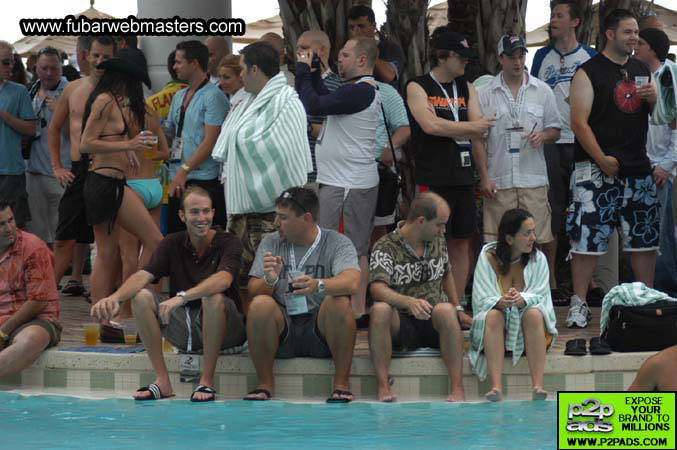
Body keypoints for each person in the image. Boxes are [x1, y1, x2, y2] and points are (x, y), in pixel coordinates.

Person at [91, 186, 245, 401]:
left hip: (227, 332)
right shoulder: (172, 242)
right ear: (182, 215)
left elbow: (224, 280)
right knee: (141, 297)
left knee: (213, 298)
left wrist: (181, 297)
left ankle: (206, 381)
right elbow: (142, 275)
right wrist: (115, 298)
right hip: (185, 330)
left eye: (206, 211)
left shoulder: (228, 241)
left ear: (213, 213)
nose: (202, 217)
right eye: (194, 212)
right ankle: (162, 381)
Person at [567, 9, 659, 328]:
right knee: (586, 239)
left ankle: (645, 299)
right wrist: (601, 158)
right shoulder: (587, 72)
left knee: (644, 240)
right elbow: (578, 122)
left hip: (638, 167)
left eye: (636, 33)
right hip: (594, 170)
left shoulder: (641, 69)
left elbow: (661, 117)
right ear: (609, 34)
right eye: (628, 32)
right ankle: (579, 303)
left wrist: (654, 99)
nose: (634, 37)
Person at [212, 41, 311, 307]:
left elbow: (283, 147)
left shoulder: (287, 101)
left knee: (277, 278)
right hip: (243, 207)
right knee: (242, 277)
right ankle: (248, 333)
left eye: (242, 68)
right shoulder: (247, 101)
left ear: (255, 69)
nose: (240, 74)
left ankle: (279, 331)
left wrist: (243, 139)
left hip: (274, 210)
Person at [406, 28, 495, 309]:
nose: (465, 62)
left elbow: (477, 135)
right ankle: (429, 300)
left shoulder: (466, 86)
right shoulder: (418, 86)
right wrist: (471, 127)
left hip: (463, 176)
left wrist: (484, 175)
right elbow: (430, 126)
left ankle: (455, 303)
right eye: (461, 56)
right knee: (431, 241)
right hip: (432, 176)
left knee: (461, 241)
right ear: (443, 57)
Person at [244, 187, 360, 402]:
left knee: (340, 302)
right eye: (276, 216)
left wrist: (319, 285)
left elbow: (352, 281)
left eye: (283, 218)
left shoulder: (336, 242)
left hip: (321, 329)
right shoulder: (271, 242)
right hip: (283, 327)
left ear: (306, 218)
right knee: (260, 304)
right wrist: (270, 279)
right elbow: (252, 289)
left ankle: (342, 384)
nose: (276, 223)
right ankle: (265, 383)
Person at [296, 36, 380, 316]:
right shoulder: (354, 90)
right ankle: (346, 308)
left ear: (361, 60)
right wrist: (312, 72)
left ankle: (355, 311)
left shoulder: (362, 91)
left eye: (344, 55)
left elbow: (314, 105)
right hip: (342, 181)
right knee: (343, 246)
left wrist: (301, 71)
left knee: (352, 249)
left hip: (348, 185)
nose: (339, 59)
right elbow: (323, 97)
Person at [79, 47, 165, 321]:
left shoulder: (116, 101)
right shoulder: (104, 100)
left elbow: (108, 139)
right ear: (124, 77)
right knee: (106, 254)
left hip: (115, 183)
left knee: (152, 241)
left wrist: (125, 151)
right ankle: (103, 319)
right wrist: (128, 143)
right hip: (102, 183)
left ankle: (127, 302)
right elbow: (85, 143)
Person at [369, 192, 471, 402]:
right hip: (402, 323)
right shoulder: (385, 246)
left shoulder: (437, 239)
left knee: (446, 310)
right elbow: (377, 289)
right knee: (380, 310)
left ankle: (457, 388)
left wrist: (458, 308)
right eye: (440, 224)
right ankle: (383, 386)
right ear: (421, 221)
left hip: (434, 320)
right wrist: (408, 302)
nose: (443, 230)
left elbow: (446, 274)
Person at [530, 1, 598, 304]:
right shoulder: (541, 56)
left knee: (584, 209)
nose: (553, 20)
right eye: (551, 15)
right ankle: (554, 282)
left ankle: (588, 281)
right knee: (553, 210)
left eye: (559, 16)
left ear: (575, 22)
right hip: (550, 143)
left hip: (582, 141)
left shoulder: (590, 56)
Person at [475, 35, 562, 253]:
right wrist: (484, 177)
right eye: (511, 57)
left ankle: (543, 284)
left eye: (521, 56)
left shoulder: (542, 90)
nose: (517, 62)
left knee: (538, 239)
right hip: (499, 180)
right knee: (497, 242)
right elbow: (477, 138)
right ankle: (499, 286)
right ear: (500, 58)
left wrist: (543, 135)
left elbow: (556, 129)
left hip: (533, 178)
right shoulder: (484, 93)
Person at [49, 36, 116, 298]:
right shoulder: (73, 89)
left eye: (106, 57)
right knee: (64, 236)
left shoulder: (120, 90)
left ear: (113, 58)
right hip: (78, 169)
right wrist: (56, 166)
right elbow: (54, 129)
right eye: (96, 55)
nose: (100, 61)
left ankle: (104, 296)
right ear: (87, 56)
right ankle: (46, 298)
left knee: (107, 241)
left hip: (107, 168)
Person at [469, 208, 558, 401]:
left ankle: (537, 385)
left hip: (530, 332)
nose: (533, 238)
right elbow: (480, 299)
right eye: (527, 233)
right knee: (492, 315)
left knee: (534, 314)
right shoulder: (487, 257)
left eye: (534, 231)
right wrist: (499, 302)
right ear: (509, 239)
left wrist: (524, 299)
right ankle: (496, 387)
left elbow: (542, 297)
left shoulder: (538, 259)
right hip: (497, 332)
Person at [166, 40, 229, 234]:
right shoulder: (180, 95)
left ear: (194, 64)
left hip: (202, 178)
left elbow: (211, 141)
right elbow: (170, 131)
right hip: (177, 176)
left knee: (204, 238)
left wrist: (184, 170)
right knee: (176, 237)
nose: (174, 66)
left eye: (179, 62)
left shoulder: (213, 96)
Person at [119, 49, 171, 285]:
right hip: (154, 185)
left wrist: (129, 151)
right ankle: (141, 289)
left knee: (128, 255)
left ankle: (127, 307)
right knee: (152, 245)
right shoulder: (149, 110)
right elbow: (166, 151)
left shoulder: (120, 111)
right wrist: (148, 156)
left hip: (132, 185)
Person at [633, 27, 677, 295]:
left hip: (660, 166)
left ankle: (663, 290)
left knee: (658, 233)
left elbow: (676, 124)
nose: (635, 45)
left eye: (640, 42)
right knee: (651, 231)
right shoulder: (633, 73)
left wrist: (666, 164)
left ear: (652, 48)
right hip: (639, 164)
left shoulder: (669, 75)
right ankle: (658, 288)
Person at [0, 202, 61, 378]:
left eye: (11, 220)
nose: (9, 228)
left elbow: (38, 301)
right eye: (1, 224)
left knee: (32, 339)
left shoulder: (33, 247)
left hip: (33, 319)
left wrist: (3, 331)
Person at [25, 47, 70, 248]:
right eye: (44, 68)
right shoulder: (31, 90)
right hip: (33, 172)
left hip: (61, 172)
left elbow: (79, 134)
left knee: (62, 232)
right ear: (36, 68)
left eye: (54, 68)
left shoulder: (71, 92)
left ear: (62, 68)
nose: (49, 73)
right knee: (37, 234)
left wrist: (61, 113)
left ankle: (60, 274)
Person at [295, 30, 343, 187]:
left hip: (321, 175)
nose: (299, 52)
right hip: (296, 172)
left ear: (321, 50)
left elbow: (337, 131)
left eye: (304, 47)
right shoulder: (299, 81)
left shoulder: (338, 85)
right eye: (297, 48)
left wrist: (302, 126)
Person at [0, 41, 36, 230]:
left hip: (11, 171)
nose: (10, 67)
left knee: (16, 229)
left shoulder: (19, 91)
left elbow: (31, 129)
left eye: (12, 62)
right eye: (5, 62)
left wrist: (4, 116)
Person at [347, 4, 404, 87]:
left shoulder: (390, 48)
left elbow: (389, 76)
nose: (356, 31)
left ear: (373, 26)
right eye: (352, 27)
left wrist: (367, 49)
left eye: (361, 26)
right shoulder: (346, 51)